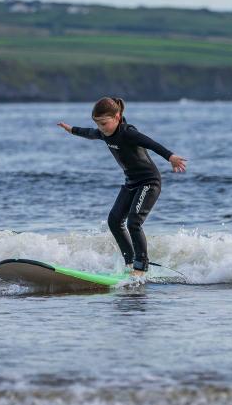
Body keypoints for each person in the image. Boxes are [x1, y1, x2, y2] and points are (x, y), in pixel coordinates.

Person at [57, 97, 186, 277]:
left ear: (117, 117)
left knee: (134, 222)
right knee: (114, 221)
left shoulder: (128, 133)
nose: (101, 128)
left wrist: (170, 157)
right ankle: (130, 263)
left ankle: (140, 267)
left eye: (104, 123)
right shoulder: (104, 133)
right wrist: (71, 130)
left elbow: (151, 143)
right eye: (98, 123)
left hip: (149, 183)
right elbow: (90, 132)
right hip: (131, 183)